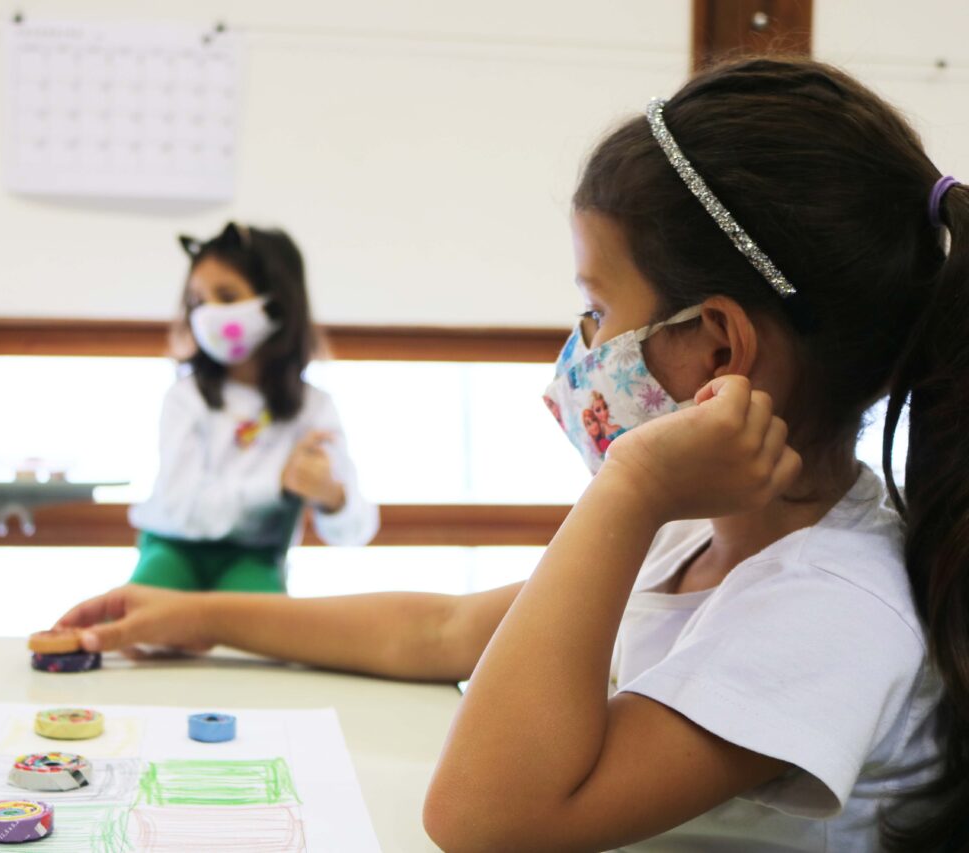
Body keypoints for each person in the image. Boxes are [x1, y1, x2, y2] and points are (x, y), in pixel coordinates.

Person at [52, 59, 969, 851]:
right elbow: (441, 631)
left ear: (719, 352)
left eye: (597, 312)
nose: (578, 350)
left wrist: (633, 484)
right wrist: (200, 613)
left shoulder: (834, 603)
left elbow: (486, 819)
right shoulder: (695, 536)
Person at [125, 222, 378, 593]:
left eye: (226, 297)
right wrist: (276, 484)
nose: (207, 315)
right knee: (146, 624)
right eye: (197, 302)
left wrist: (331, 496)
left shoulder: (314, 408)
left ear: (278, 301)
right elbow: (185, 509)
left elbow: (356, 530)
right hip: (172, 546)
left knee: (262, 630)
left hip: (255, 556)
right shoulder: (185, 397)